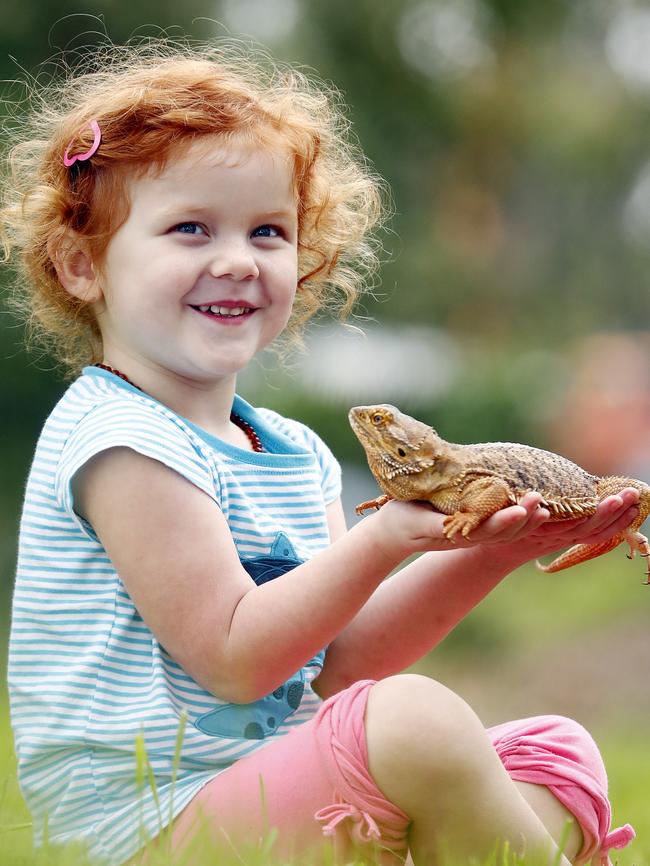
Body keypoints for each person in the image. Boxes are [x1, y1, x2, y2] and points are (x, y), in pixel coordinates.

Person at [2, 39, 637, 866]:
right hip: (147, 828)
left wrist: (491, 550)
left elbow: (338, 667)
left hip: (269, 787)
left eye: (267, 230)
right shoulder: (121, 440)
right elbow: (237, 662)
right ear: (83, 264)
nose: (236, 259)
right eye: (190, 228)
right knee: (415, 723)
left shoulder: (292, 450)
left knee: (556, 752)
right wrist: (384, 539)